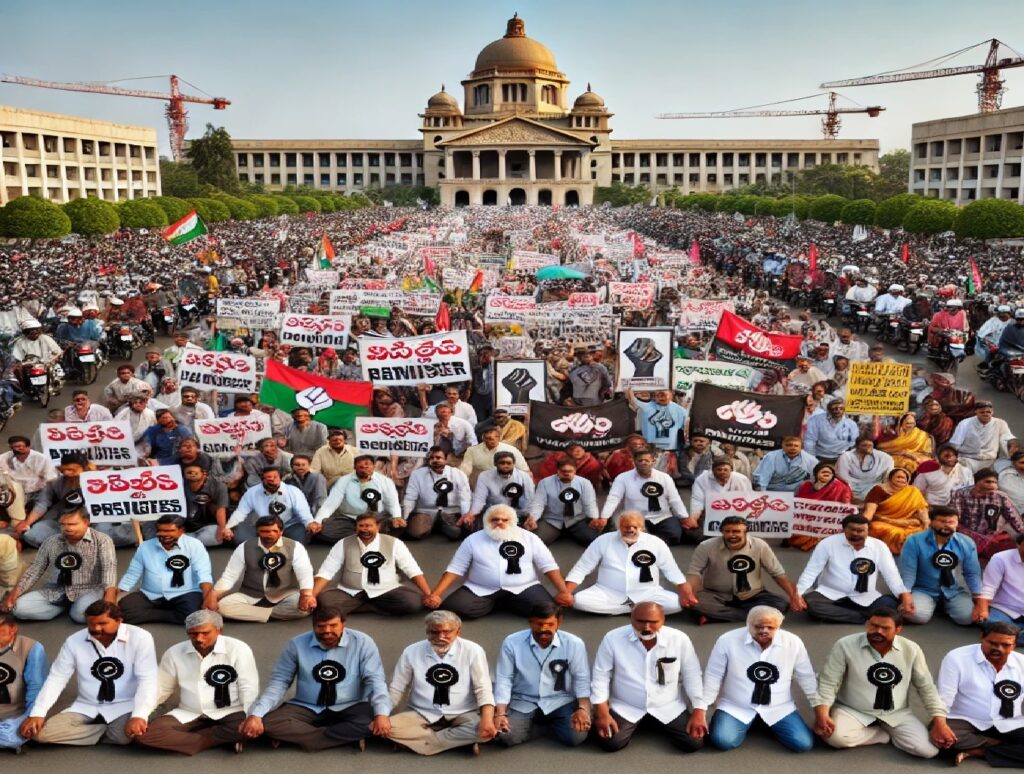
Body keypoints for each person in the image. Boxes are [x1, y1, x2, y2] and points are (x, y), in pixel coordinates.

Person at [240, 605, 391, 752]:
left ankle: (305, 738)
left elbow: (375, 680)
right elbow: (279, 682)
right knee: (268, 723)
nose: (327, 631)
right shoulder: (296, 644)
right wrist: (256, 714)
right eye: (321, 626)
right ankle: (344, 736)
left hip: (351, 705)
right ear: (313, 625)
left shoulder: (363, 642)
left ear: (343, 624)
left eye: (333, 625)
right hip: (307, 705)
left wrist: (381, 713)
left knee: (372, 722)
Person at [814, 607, 954, 759]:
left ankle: (886, 732)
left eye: (885, 628)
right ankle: (881, 735)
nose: (878, 631)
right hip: (853, 710)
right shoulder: (844, 645)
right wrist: (822, 713)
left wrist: (940, 722)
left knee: (928, 750)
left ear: (898, 629)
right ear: (867, 624)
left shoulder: (912, 649)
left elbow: (926, 687)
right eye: (873, 626)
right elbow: (828, 682)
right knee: (835, 737)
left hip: (896, 713)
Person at [19, 601, 157, 747]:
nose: (96, 628)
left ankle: (105, 733)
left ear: (119, 621)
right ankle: (108, 732)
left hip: (125, 704)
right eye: (91, 624)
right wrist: (38, 713)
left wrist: (139, 715)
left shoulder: (140, 638)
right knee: (40, 734)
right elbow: (57, 678)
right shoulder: (74, 641)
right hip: (87, 705)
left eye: (103, 623)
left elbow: (147, 679)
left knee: (125, 736)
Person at [136, 610, 258, 755]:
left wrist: (252, 717)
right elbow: (161, 689)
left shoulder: (238, 648)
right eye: (193, 634)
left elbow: (248, 686)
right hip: (189, 712)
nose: (199, 638)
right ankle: (218, 739)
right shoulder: (174, 652)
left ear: (219, 630)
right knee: (143, 736)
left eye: (205, 633)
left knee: (254, 726)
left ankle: (192, 740)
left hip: (230, 712)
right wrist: (140, 715)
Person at [698, 606, 817, 752]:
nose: (764, 630)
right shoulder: (727, 640)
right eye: (758, 626)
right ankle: (756, 723)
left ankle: (762, 722)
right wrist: (701, 709)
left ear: (778, 626)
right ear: (748, 624)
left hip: (779, 708)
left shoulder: (793, 642)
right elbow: (713, 675)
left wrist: (819, 710)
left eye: (770, 627)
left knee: (803, 744)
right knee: (723, 741)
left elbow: (806, 677)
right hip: (736, 707)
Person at [590, 601, 705, 753]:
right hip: (627, 706)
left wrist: (699, 711)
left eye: (653, 622)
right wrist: (602, 714)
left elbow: (692, 675)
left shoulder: (679, 639)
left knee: (694, 742)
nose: (646, 627)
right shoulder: (612, 638)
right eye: (641, 621)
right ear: (631, 618)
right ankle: (645, 723)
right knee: (610, 743)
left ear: (663, 620)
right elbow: (600, 676)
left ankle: (651, 722)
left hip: (668, 706)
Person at [428, 505, 572, 619]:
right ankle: (497, 603)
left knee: (548, 611)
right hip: (481, 588)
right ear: (486, 522)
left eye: (505, 520)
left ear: (514, 521)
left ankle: (504, 602)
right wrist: (436, 594)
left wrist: (563, 592)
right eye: (494, 519)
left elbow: (548, 567)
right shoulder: (472, 539)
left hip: (524, 586)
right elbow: (455, 569)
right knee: (452, 609)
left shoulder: (530, 538)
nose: (499, 523)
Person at [386, 610, 497, 755]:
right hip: (423, 712)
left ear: (458, 631)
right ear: (427, 631)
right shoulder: (411, 651)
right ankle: (456, 742)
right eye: (434, 632)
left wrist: (487, 720)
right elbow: (397, 687)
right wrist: (381, 715)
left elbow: (483, 688)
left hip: (463, 712)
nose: (440, 637)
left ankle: (421, 743)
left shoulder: (473, 650)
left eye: (446, 632)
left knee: (488, 728)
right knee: (386, 727)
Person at [493, 603, 591, 748]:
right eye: (539, 624)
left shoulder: (574, 643)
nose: (544, 629)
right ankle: (541, 727)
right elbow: (504, 678)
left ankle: (533, 727)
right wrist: (500, 713)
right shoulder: (512, 642)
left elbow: (581, 677)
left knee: (576, 737)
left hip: (560, 701)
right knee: (504, 736)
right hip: (524, 700)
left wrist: (583, 709)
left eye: (550, 624)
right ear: (530, 622)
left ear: (559, 622)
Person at [3, 510, 116, 623]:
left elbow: (109, 568)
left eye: (72, 524)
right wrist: (15, 593)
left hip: (90, 589)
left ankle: (76, 607)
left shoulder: (102, 540)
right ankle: (63, 607)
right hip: (57, 590)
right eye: (63, 524)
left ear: (86, 522)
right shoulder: (52, 541)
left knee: (80, 616)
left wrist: (109, 599)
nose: (67, 528)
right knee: (18, 608)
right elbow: (36, 568)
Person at [796, 514, 913, 623]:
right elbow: (811, 571)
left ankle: (844, 615)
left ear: (868, 531)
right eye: (852, 530)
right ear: (844, 529)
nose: (856, 533)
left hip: (866, 597)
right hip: (830, 594)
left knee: (891, 605)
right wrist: (798, 594)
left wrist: (904, 595)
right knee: (812, 604)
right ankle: (864, 617)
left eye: (861, 530)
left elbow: (891, 574)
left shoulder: (879, 546)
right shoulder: (827, 543)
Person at [685, 516, 804, 623]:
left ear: (746, 532)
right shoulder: (706, 546)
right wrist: (691, 594)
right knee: (696, 604)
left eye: (736, 531)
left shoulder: (760, 545)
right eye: (728, 531)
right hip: (715, 594)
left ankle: (714, 617)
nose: (732, 535)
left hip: (753, 595)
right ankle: (755, 616)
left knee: (781, 604)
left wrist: (793, 596)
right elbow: (695, 572)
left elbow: (777, 573)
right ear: (722, 532)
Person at [937, 622, 1024, 767]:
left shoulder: (1022, 663)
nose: (998, 649)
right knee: (939, 738)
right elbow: (943, 698)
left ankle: (979, 751)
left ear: (1014, 645)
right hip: (965, 720)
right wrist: (939, 726)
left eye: (1006, 645)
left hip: (1010, 721)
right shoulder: (957, 658)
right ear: (981, 638)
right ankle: (1001, 746)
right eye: (993, 643)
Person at [565, 512, 687, 614]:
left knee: (676, 604)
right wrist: (566, 592)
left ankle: (628, 608)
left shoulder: (656, 542)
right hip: (608, 592)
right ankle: (638, 610)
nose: (630, 530)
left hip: (648, 593)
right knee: (579, 600)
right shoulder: (603, 540)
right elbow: (582, 568)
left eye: (635, 527)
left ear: (642, 527)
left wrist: (686, 592)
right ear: (619, 527)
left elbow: (671, 570)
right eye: (626, 527)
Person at [312, 512, 430, 616]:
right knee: (324, 603)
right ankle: (372, 606)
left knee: (413, 603)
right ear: (356, 527)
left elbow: (412, 570)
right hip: (351, 592)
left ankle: (364, 607)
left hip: (386, 590)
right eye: (361, 526)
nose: (364, 529)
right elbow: (326, 572)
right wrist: (311, 596)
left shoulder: (395, 543)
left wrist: (428, 594)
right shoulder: (343, 543)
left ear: (378, 527)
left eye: (368, 526)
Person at [208, 515, 316, 623]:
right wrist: (213, 595)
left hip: (285, 594)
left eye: (274, 531)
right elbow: (230, 576)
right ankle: (274, 614)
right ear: (257, 532)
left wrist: (306, 595)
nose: (270, 535)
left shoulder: (296, 547)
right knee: (223, 606)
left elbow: (304, 572)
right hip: (252, 594)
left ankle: (255, 614)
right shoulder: (244, 547)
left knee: (304, 608)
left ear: (281, 532)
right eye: (264, 531)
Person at [116, 515, 213, 625]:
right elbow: (132, 573)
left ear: (182, 530)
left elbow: (203, 574)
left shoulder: (195, 545)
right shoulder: (145, 547)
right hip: (150, 595)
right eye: (161, 531)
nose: (164, 535)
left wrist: (208, 597)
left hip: (185, 593)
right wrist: (115, 597)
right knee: (123, 609)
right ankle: (172, 615)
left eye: (170, 531)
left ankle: (151, 615)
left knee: (193, 615)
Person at [898, 505, 982, 626]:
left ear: (957, 523)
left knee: (969, 618)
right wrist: (905, 596)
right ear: (931, 522)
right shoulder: (914, 541)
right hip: (923, 589)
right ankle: (926, 604)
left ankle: (943, 606)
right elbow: (908, 572)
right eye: (942, 521)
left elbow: (972, 573)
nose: (947, 525)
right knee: (915, 615)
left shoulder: (966, 542)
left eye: (951, 522)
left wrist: (979, 602)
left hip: (954, 590)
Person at [601, 449, 692, 545]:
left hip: (662, 517)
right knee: (629, 535)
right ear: (634, 461)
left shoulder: (665, 477)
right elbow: (613, 499)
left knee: (674, 535)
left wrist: (684, 517)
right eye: (640, 460)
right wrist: (604, 517)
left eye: (647, 460)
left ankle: (647, 542)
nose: (643, 463)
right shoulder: (622, 478)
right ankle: (649, 542)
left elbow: (675, 500)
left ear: (653, 461)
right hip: (635, 518)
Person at [314, 455, 402, 542]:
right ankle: (370, 535)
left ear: (374, 466)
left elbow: (392, 503)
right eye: (361, 466)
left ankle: (359, 535)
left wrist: (396, 517)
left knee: (398, 526)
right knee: (324, 530)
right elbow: (331, 504)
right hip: (350, 519)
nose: (364, 468)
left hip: (376, 518)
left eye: (367, 465)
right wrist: (317, 521)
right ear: (355, 467)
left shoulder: (385, 481)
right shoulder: (343, 480)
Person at [226, 467, 317, 546]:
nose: (272, 480)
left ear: (280, 478)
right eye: (268, 478)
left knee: (297, 544)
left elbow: (303, 510)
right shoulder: (252, 492)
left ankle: (271, 541)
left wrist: (309, 523)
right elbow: (241, 512)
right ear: (262, 480)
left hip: (289, 525)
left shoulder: (294, 491)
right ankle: (266, 541)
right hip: (263, 525)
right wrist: (228, 527)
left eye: (275, 477)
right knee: (240, 540)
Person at [950, 468, 1024, 562]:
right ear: (977, 481)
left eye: (994, 482)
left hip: (992, 537)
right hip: (966, 536)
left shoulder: (1000, 497)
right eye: (988, 481)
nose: (992, 485)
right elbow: (955, 518)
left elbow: (1014, 518)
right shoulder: (961, 494)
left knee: (1011, 557)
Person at [401, 446, 472, 540]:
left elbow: (465, 498)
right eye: (431, 458)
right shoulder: (417, 474)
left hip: (450, 512)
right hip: (425, 512)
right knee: (415, 533)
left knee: (456, 533)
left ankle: (439, 526)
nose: (435, 460)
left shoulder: (458, 474)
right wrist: (404, 517)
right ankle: (432, 526)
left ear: (446, 460)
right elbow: (410, 498)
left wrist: (465, 517)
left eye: (438, 458)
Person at [525, 458, 602, 545]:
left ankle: (565, 533)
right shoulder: (545, 483)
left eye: (570, 471)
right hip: (553, 520)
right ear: (557, 470)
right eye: (563, 471)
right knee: (535, 542)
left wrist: (594, 518)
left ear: (575, 471)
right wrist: (533, 518)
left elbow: (590, 503)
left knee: (594, 540)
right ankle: (561, 533)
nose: (567, 474)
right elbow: (538, 503)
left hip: (576, 519)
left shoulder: (585, 483)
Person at [0, 612, 48, 751]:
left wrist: (31, 716)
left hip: (14, 714)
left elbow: (36, 687)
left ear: (12, 629)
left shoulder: (32, 648)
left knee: (11, 737)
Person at [464, 451, 535, 538]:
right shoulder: (484, 476)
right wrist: (472, 514)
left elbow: (530, 499)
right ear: (495, 464)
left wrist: (531, 517)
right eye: (502, 463)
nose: (506, 465)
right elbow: (479, 499)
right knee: (481, 535)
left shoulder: (524, 476)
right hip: (494, 512)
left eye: (509, 463)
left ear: (514, 464)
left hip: (518, 512)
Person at [862, 467, 930, 554]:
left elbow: (922, 509)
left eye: (904, 478)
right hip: (882, 521)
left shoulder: (913, 491)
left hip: (907, 523)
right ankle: (886, 553)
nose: (901, 480)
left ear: (908, 480)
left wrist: (926, 523)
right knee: (887, 530)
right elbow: (869, 511)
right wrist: (862, 524)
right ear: (890, 478)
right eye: (898, 477)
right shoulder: (878, 490)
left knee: (923, 531)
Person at [790, 462, 854, 552]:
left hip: (831, 520)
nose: (826, 475)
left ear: (833, 476)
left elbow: (846, 508)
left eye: (829, 473)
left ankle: (821, 539)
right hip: (808, 519)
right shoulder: (806, 485)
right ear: (816, 474)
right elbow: (798, 504)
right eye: (823, 472)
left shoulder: (842, 487)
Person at [976, 536, 1024, 645]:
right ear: (1018, 544)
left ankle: (1006, 636)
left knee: (998, 630)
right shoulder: (1001, 558)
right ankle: (1009, 635)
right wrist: (983, 610)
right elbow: (988, 588)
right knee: (992, 623)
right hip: (1004, 609)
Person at [950, 401, 1019, 473]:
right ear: (976, 412)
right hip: (967, 459)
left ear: (992, 412)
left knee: (1008, 469)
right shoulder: (965, 423)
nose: (986, 414)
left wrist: (1014, 449)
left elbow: (1006, 438)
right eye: (982, 412)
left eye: (988, 412)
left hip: (990, 461)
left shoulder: (1000, 423)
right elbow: (955, 443)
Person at [689, 458, 752, 525]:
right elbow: (697, 500)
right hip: (710, 513)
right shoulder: (702, 479)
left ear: (731, 470)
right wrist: (694, 518)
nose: (722, 472)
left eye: (725, 470)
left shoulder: (741, 479)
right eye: (719, 470)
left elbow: (748, 498)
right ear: (713, 470)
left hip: (737, 513)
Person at [180, 463, 230, 546]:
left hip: (206, 526)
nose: (192, 475)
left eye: (195, 473)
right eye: (189, 473)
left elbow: (221, 509)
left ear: (204, 475)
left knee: (217, 538)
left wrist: (222, 528)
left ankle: (189, 544)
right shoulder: (178, 485)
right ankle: (190, 543)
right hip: (184, 527)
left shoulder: (218, 486)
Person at [0, 435, 56, 508]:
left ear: (28, 447)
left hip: (38, 490)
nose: (20, 449)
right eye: (16, 446)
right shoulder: (3, 458)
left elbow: (51, 478)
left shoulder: (41, 459)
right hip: (15, 490)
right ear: (11, 447)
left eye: (22, 446)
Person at [629, 388, 687, 457]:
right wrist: (630, 387)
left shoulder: (680, 411)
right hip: (649, 450)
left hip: (670, 451)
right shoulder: (645, 407)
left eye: (663, 394)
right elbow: (630, 397)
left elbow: (683, 431)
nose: (660, 397)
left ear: (671, 394)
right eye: (658, 395)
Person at [834, 435, 894, 502]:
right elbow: (842, 475)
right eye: (864, 445)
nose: (868, 447)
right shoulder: (846, 456)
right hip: (850, 485)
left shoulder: (884, 457)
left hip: (873, 485)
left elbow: (888, 475)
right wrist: (851, 487)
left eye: (870, 445)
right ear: (857, 447)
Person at [459, 427, 529, 481]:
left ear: (499, 438)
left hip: (506, 483)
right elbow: (464, 472)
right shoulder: (472, 451)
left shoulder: (511, 450)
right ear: (483, 438)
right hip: (481, 483)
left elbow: (524, 471)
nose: (493, 440)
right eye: (489, 438)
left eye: (496, 437)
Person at [752, 436, 817, 492]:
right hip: (771, 490)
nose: (793, 448)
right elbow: (764, 478)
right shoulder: (771, 456)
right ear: (783, 446)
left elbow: (816, 477)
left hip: (795, 493)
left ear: (801, 448)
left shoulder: (810, 459)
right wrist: (763, 494)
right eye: (789, 445)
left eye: (796, 446)